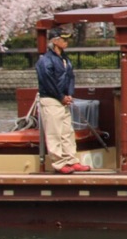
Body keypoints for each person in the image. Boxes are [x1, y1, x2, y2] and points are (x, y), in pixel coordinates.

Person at [35, 30, 88, 174]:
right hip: (51, 99)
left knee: (67, 132)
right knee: (54, 133)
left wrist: (69, 94)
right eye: (63, 39)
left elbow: (70, 77)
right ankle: (59, 163)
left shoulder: (64, 59)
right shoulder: (45, 60)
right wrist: (60, 96)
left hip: (63, 99)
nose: (66, 42)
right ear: (54, 41)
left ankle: (71, 160)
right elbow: (47, 82)